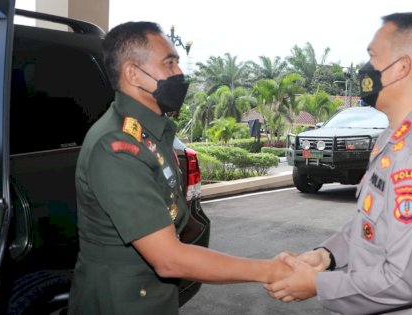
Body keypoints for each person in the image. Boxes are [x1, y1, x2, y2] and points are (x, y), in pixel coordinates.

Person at [68, 21, 290, 315]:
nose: (180, 74)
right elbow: (168, 258)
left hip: (151, 298)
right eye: (169, 63)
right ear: (133, 73)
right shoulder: (117, 146)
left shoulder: (151, 132)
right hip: (120, 302)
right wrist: (269, 270)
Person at [265, 12, 412, 315]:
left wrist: (319, 284)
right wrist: (328, 255)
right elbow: (373, 223)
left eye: (373, 56)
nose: (366, 69)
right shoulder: (397, 136)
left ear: (401, 68)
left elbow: (403, 282)